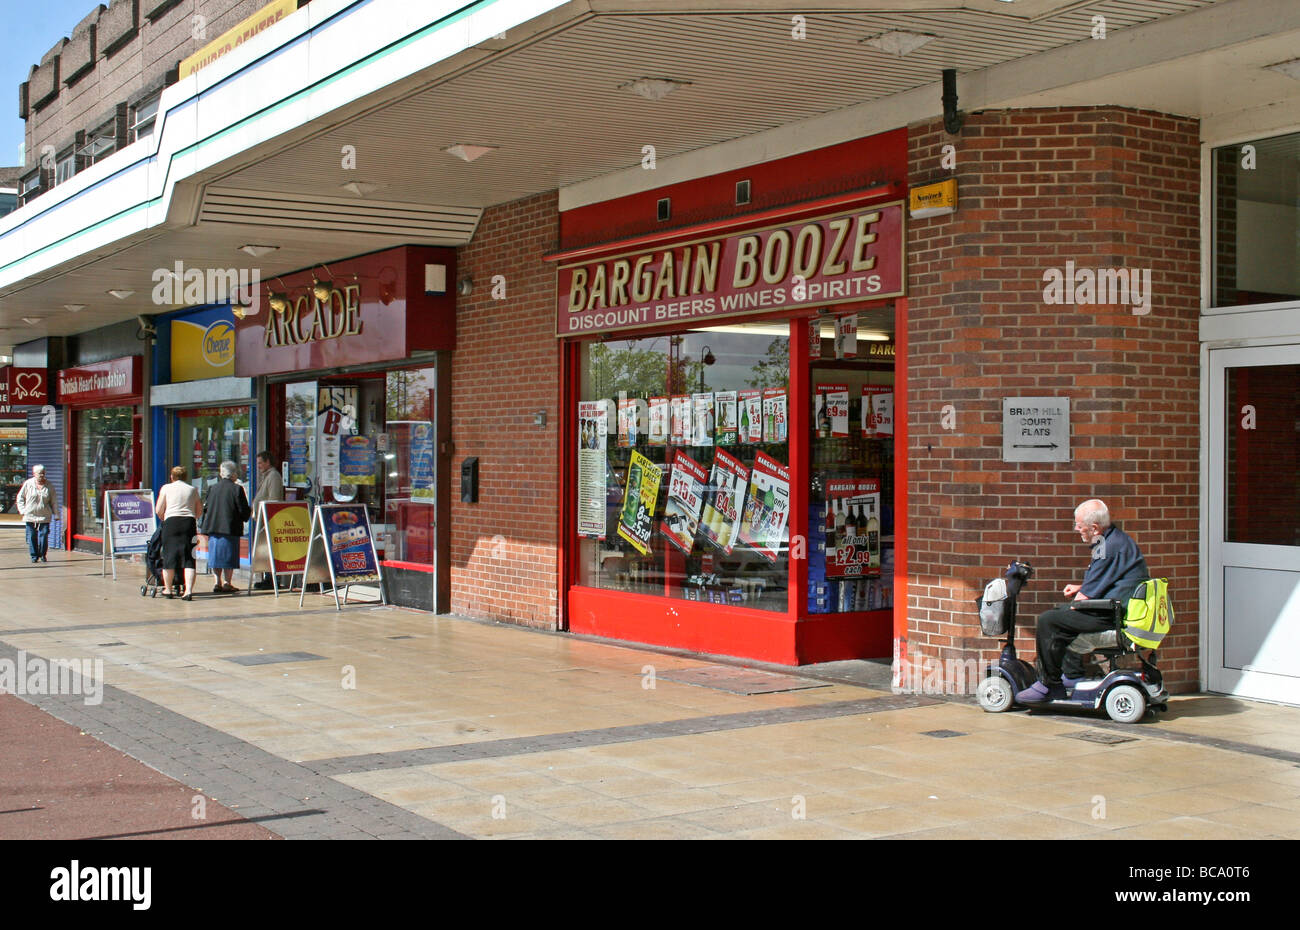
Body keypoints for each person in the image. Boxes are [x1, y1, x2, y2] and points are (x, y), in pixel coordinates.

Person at [1017, 499, 1150, 702]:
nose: (1077, 529)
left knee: (1049, 620)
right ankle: (1071, 675)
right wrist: (1081, 589)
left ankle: (1049, 685)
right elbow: (1112, 578)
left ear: (1094, 528)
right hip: (1116, 606)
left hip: (1112, 615)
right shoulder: (1116, 539)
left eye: (1080, 526)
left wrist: (1077, 601)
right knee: (1062, 614)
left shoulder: (1107, 548)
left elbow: (1085, 598)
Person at [200, 461, 251, 594]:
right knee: (229, 556)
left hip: (214, 527)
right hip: (230, 527)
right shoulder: (237, 489)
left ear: (221, 474)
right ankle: (227, 582)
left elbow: (206, 508)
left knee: (215, 556)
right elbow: (243, 510)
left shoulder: (213, 488)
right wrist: (247, 515)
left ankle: (217, 582)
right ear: (234, 474)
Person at [155, 465, 203, 601]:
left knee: (169, 556)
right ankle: (188, 591)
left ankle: (168, 589)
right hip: (188, 524)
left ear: (172, 476)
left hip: (171, 523)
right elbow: (199, 510)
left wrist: (165, 518)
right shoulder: (192, 489)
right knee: (189, 557)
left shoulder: (166, 488)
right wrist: (193, 516)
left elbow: (158, 509)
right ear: (185, 476)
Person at [250, 451, 284, 589]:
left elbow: (274, 500)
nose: (258, 466)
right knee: (265, 550)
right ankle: (267, 577)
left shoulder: (274, 476)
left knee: (271, 550)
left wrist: (268, 519)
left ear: (267, 462)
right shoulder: (267, 476)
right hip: (262, 521)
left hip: (269, 521)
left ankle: (272, 579)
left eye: (260, 463)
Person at [17, 464, 57, 563]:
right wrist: (23, 510)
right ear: (34, 474)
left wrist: (56, 514)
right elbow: (20, 498)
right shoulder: (28, 484)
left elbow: (54, 501)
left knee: (43, 536)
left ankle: (43, 554)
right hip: (30, 515)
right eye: (39, 473)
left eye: (43, 473)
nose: (42, 475)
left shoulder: (49, 485)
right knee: (32, 536)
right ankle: (34, 556)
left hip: (44, 515)